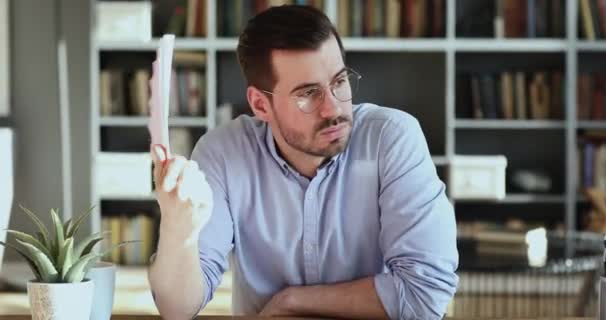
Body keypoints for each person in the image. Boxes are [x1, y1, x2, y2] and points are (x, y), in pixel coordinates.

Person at [148, 5, 458, 320]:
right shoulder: (223, 153)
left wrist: (292, 301)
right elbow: (177, 310)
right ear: (260, 104)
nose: (333, 109)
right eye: (308, 93)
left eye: (339, 82)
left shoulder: (391, 139)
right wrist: (177, 229)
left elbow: (425, 295)